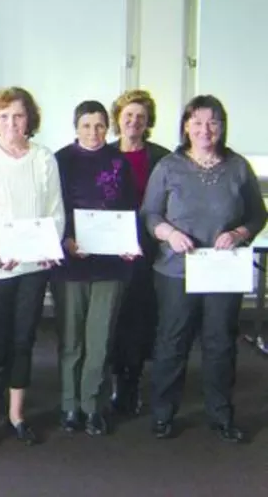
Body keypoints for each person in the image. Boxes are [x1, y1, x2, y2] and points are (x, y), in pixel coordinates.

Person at [141, 95, 267, 442]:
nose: (204, 129)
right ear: (185, 126)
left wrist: (239, 232)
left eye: (212, 122)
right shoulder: (168, 166)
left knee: (221, 343)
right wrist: (168, 233)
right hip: (175, 270)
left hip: (222, 271)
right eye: (197, 122)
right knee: (172, 341)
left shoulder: (238, 167)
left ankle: (220, 415)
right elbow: (150, 214)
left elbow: (258, 215)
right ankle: (164, 414)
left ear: (222, 127)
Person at [0, 87, 64, 449]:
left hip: (33, 268)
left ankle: (17, 414)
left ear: (29, 120)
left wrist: (50, 246)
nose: (10, 123)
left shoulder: (43, 159)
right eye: (3, 116)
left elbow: (55, 212)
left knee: (23, 342)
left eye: (17, 116)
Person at [53, 100, 138, 436]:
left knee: (100, 341)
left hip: (110, 265)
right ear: (76, 127)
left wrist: (129, 244)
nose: (93, 132)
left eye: (100, 125)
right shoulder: (60, 160)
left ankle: (93, 406)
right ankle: (70, 405)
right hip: (71, 263)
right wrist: (66, 240)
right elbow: (51, 207)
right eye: (86, 125)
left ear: (108, 127)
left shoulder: (120, 162)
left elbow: (130, 209)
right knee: (71, 340)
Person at [108, 90, 170, 415]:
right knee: (113, 316)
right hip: (108, 249)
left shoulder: (162, 157)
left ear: (148, 122)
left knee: (140, 317)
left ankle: (132, 380)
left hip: (147, 249)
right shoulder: (102, 153)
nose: (133, 121)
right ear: (118, 117)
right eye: (128, 115)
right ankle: (115, 378)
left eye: (140, 117)